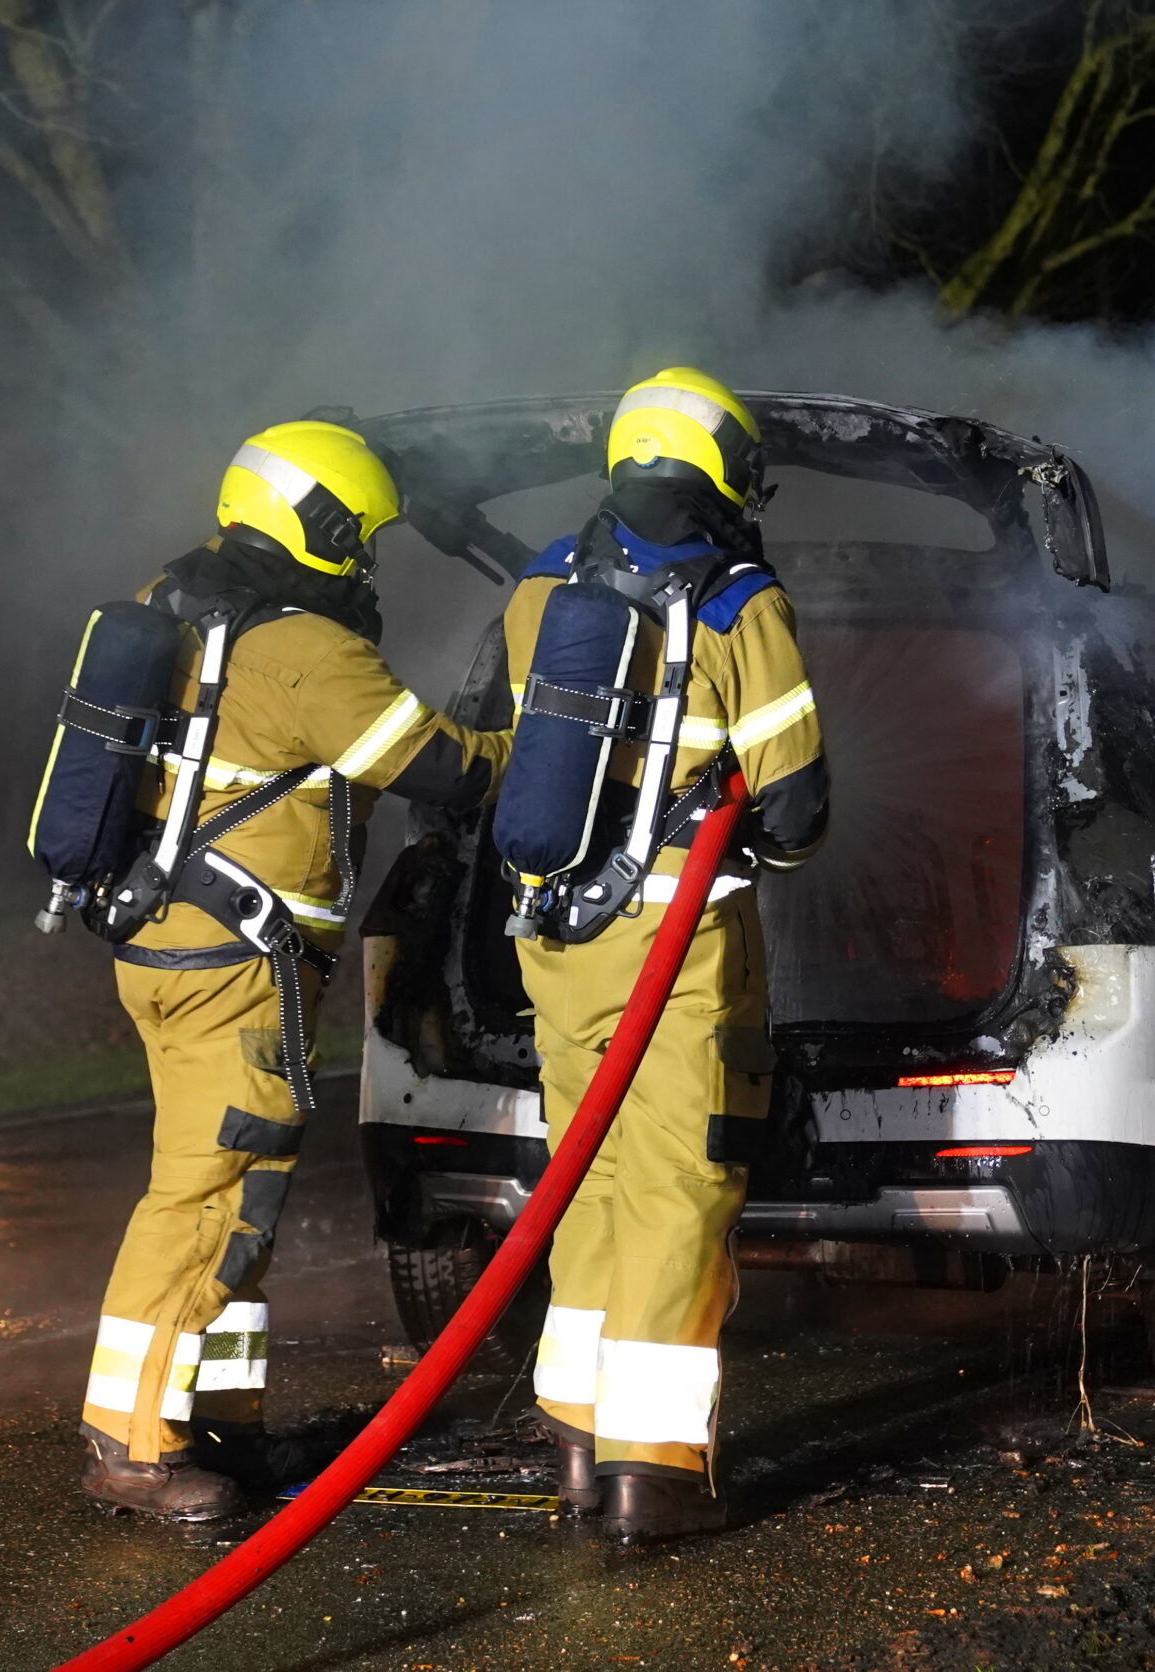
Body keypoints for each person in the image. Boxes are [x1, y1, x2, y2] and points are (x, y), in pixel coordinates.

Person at [78, 420, 509, 1520]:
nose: (364, 562)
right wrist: (555, 744)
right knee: (214, 1191)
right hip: (233, 963)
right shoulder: (303, 651)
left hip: (169, 940)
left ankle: (215, 1422)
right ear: (317, 529)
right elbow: (441, 769)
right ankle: (133, 1445)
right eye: (356, 539)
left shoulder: (177, 601)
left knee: (220, 1192)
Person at [504, 368, 828, 1541]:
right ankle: (654, 1468)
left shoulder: (540, 583)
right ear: (726, 466)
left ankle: (577, 1439)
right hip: (677, 945)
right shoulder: (743, 604)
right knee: (681, 1186)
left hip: (556, 939)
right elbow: (796, 814)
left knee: (587, 1174)